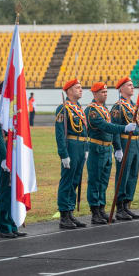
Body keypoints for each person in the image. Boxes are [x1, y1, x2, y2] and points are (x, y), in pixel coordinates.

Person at [85, 82, 136, 224]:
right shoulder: (92, 110)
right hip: (97, 148)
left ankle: (101, 209)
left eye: (106, 92)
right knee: (95, 181)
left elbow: (111, 131)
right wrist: (124, 128)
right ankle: (95, 211)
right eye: (102, 92)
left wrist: (116, 146)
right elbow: (105, 126)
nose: (105, 94)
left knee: (103, 181)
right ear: (94, 94)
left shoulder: (104, 109)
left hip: (107, 149)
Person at [0, 82, 28, 237]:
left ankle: (14, 224)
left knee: (15, 193)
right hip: (5, 160)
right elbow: (0, 138)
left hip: (16, 158)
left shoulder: (15, 113)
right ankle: (4, 227)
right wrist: (3, 158)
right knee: (5, 194)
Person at [55, 79, 88, 229]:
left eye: (81, 88)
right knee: (67, 180)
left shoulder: (79, 108)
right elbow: (60, 133)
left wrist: (86, 148)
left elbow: (85, 129)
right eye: (77, 88)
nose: (81, 90)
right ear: (69, 91)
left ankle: (70, 211)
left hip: (81, 145)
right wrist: (63, 154)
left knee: (76, 180)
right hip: (71, 145)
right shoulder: (63, 108)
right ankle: (63, 215)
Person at [110, 77, 139, 220]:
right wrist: (117, 148)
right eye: (129, 85)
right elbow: (115, 129)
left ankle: (127, 204)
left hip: (134, 143)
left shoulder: (133, 105)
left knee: (133, 175)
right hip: (124, 143)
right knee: (123, 175)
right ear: (121, 89)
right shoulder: (118, 107)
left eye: (132, 85)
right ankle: (120, 206)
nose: (132, 87)